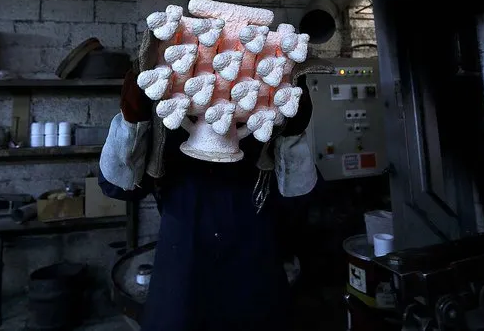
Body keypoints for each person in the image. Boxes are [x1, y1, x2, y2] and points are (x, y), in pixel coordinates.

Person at [98, 30, 323, 330]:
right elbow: (116, 185)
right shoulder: (172, 122)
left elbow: (299, 196)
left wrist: (294, 133)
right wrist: (131, 120)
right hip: (181, 283)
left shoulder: (262, 124)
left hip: (256, 283)